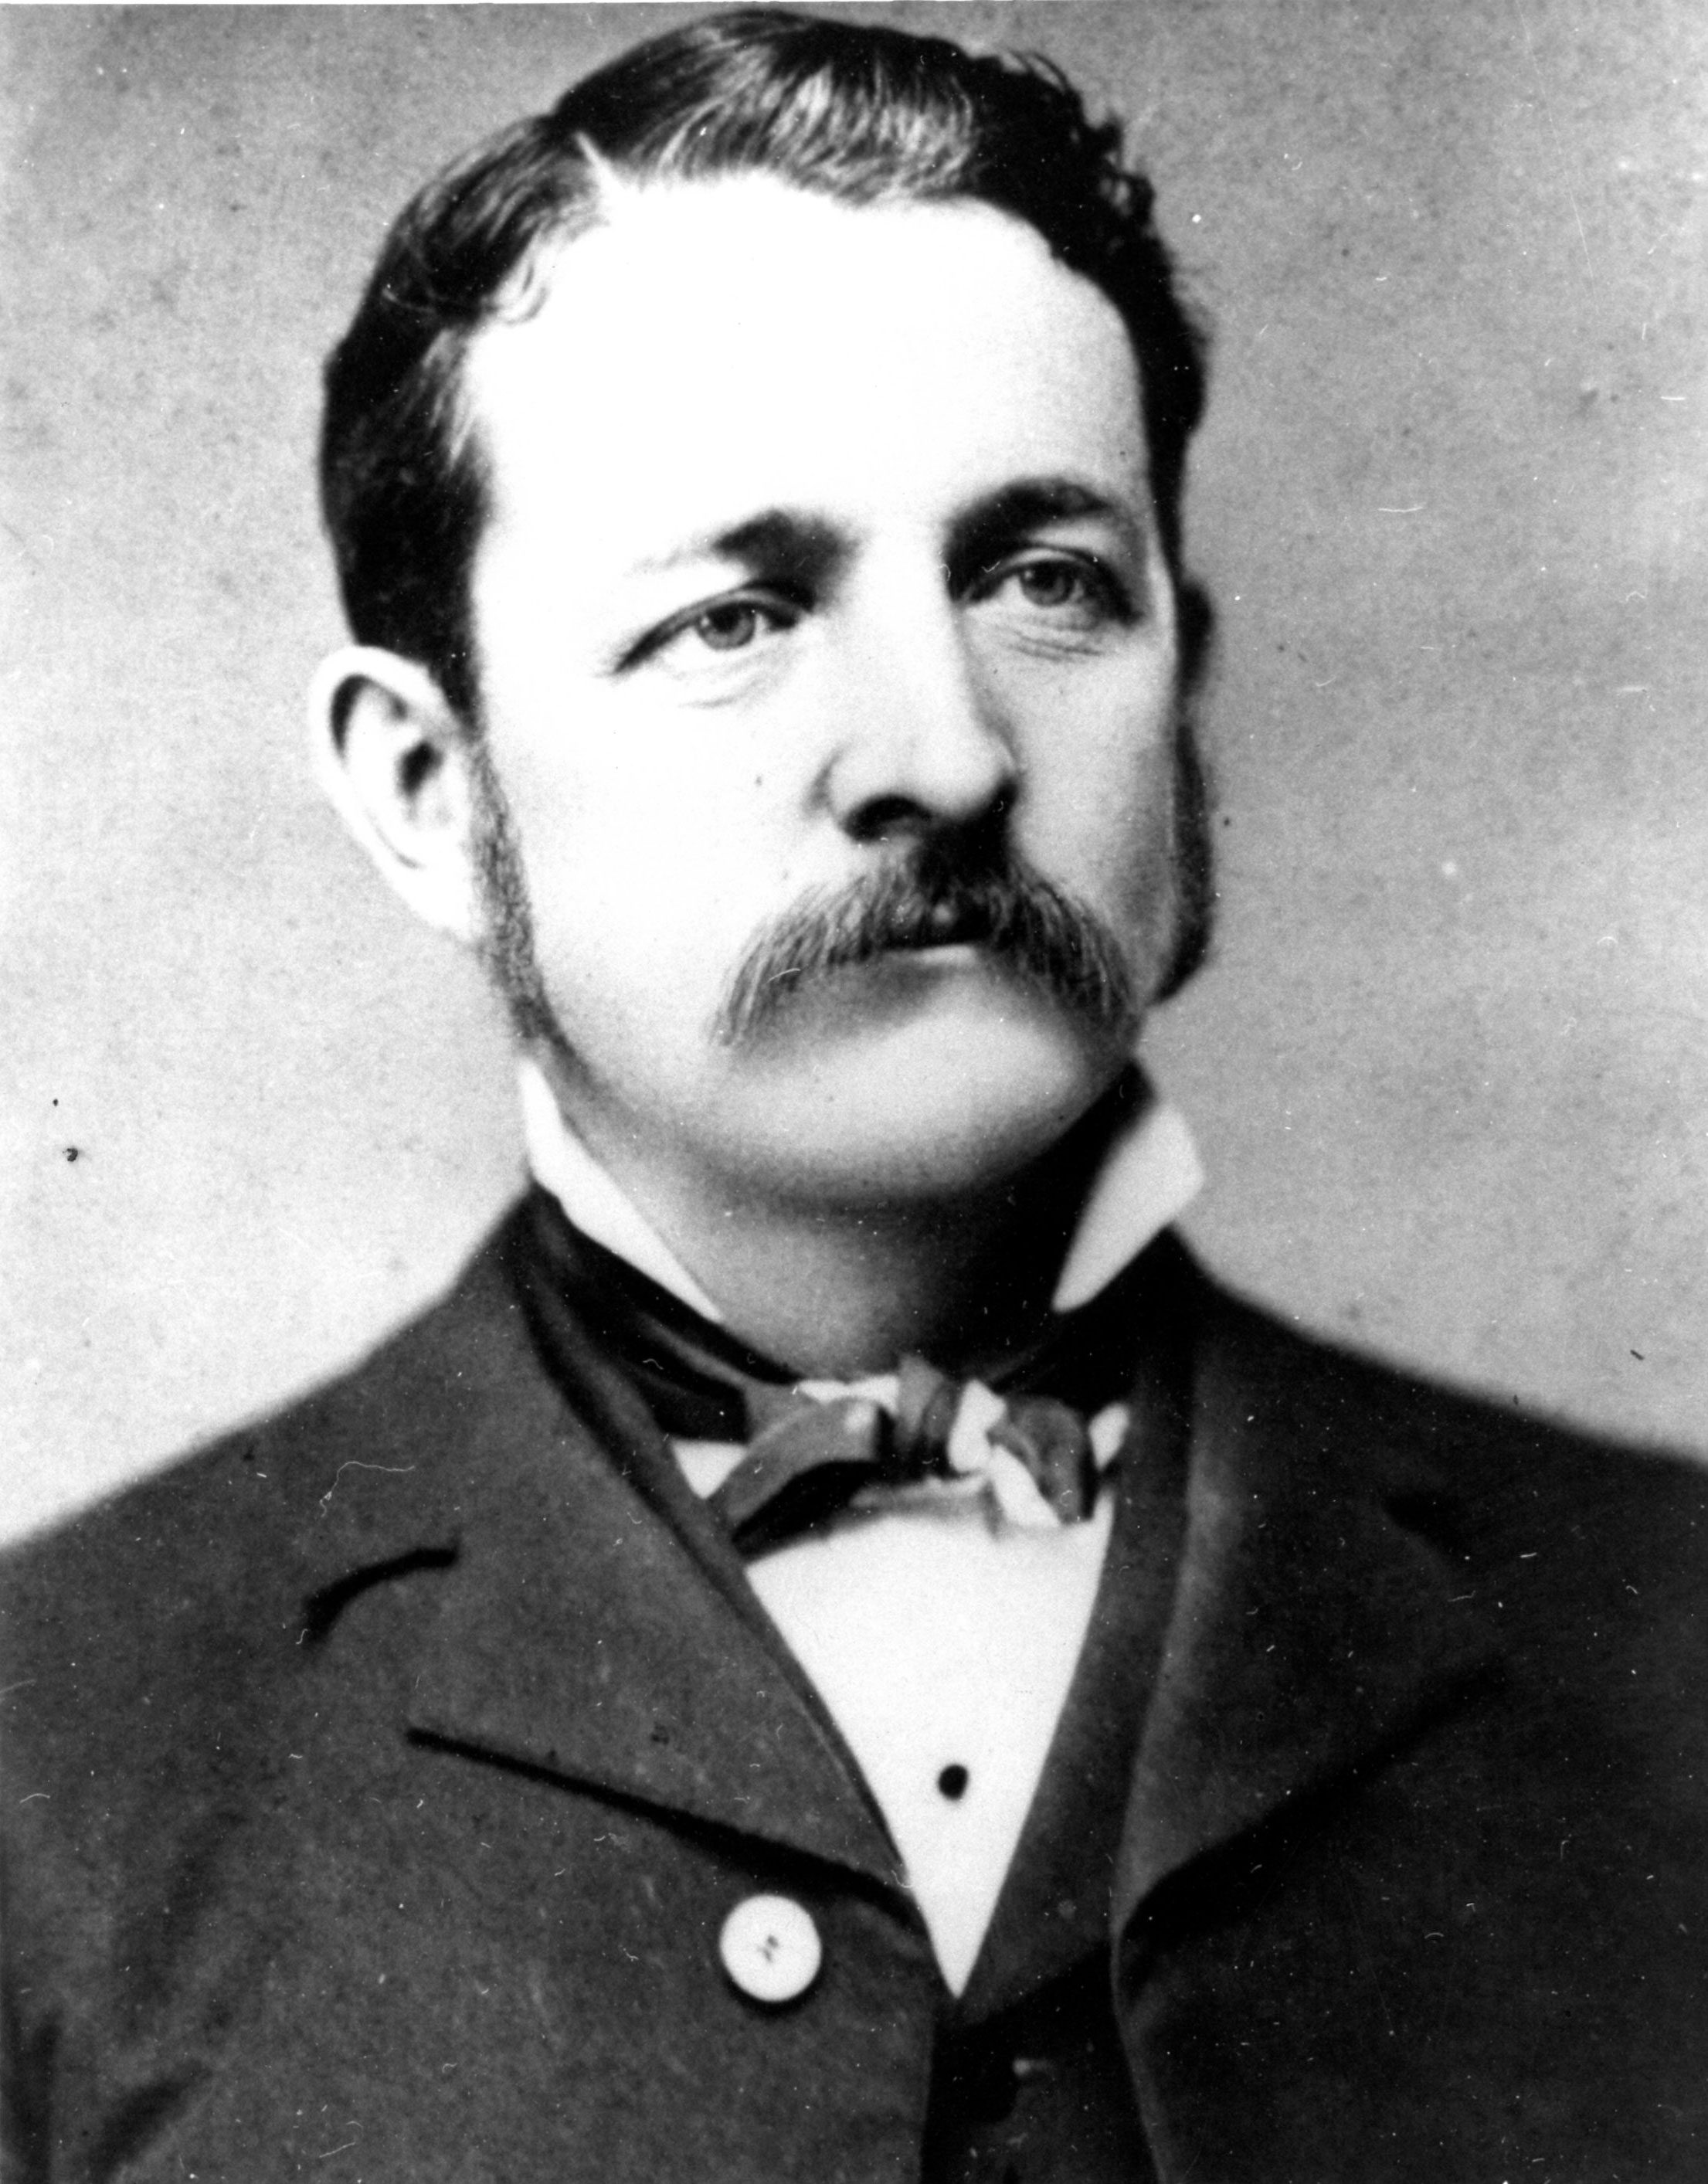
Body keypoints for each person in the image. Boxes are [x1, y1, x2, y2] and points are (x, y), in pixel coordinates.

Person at [3, 11, 1705, 2179]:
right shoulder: (49, 1749)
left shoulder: (1662, 1632)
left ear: (1184, 701)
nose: (947, 751)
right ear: (427, 796)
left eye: (1044, 582)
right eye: (736, 615)